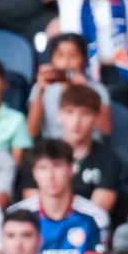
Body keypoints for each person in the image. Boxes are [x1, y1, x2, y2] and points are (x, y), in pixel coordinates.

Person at [9, 139, 110, 254]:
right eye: (43, 168)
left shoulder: (94, 217)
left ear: (71, 170)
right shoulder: (16, 216)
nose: (50, 175)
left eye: (57, 166)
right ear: (34, 173)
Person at [20, 84, 121, 216]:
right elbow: (32, 205)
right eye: (70, 112)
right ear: (59, 115)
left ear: (97, 118)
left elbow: (97, 213)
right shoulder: (39, 154)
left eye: (85, 113)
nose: (76, 121)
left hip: (85, 230)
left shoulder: (109, 159)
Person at [26, 34, 113, 140]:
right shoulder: (42, 87)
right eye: (60, 56)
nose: (66, 62)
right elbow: (32, 131)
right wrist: (40, 90)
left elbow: (106, 129)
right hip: (55, 150)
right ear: (52, 59)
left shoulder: (98, 89)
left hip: (90, 149)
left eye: (73, 56)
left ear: (84, 59)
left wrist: (86, 89)